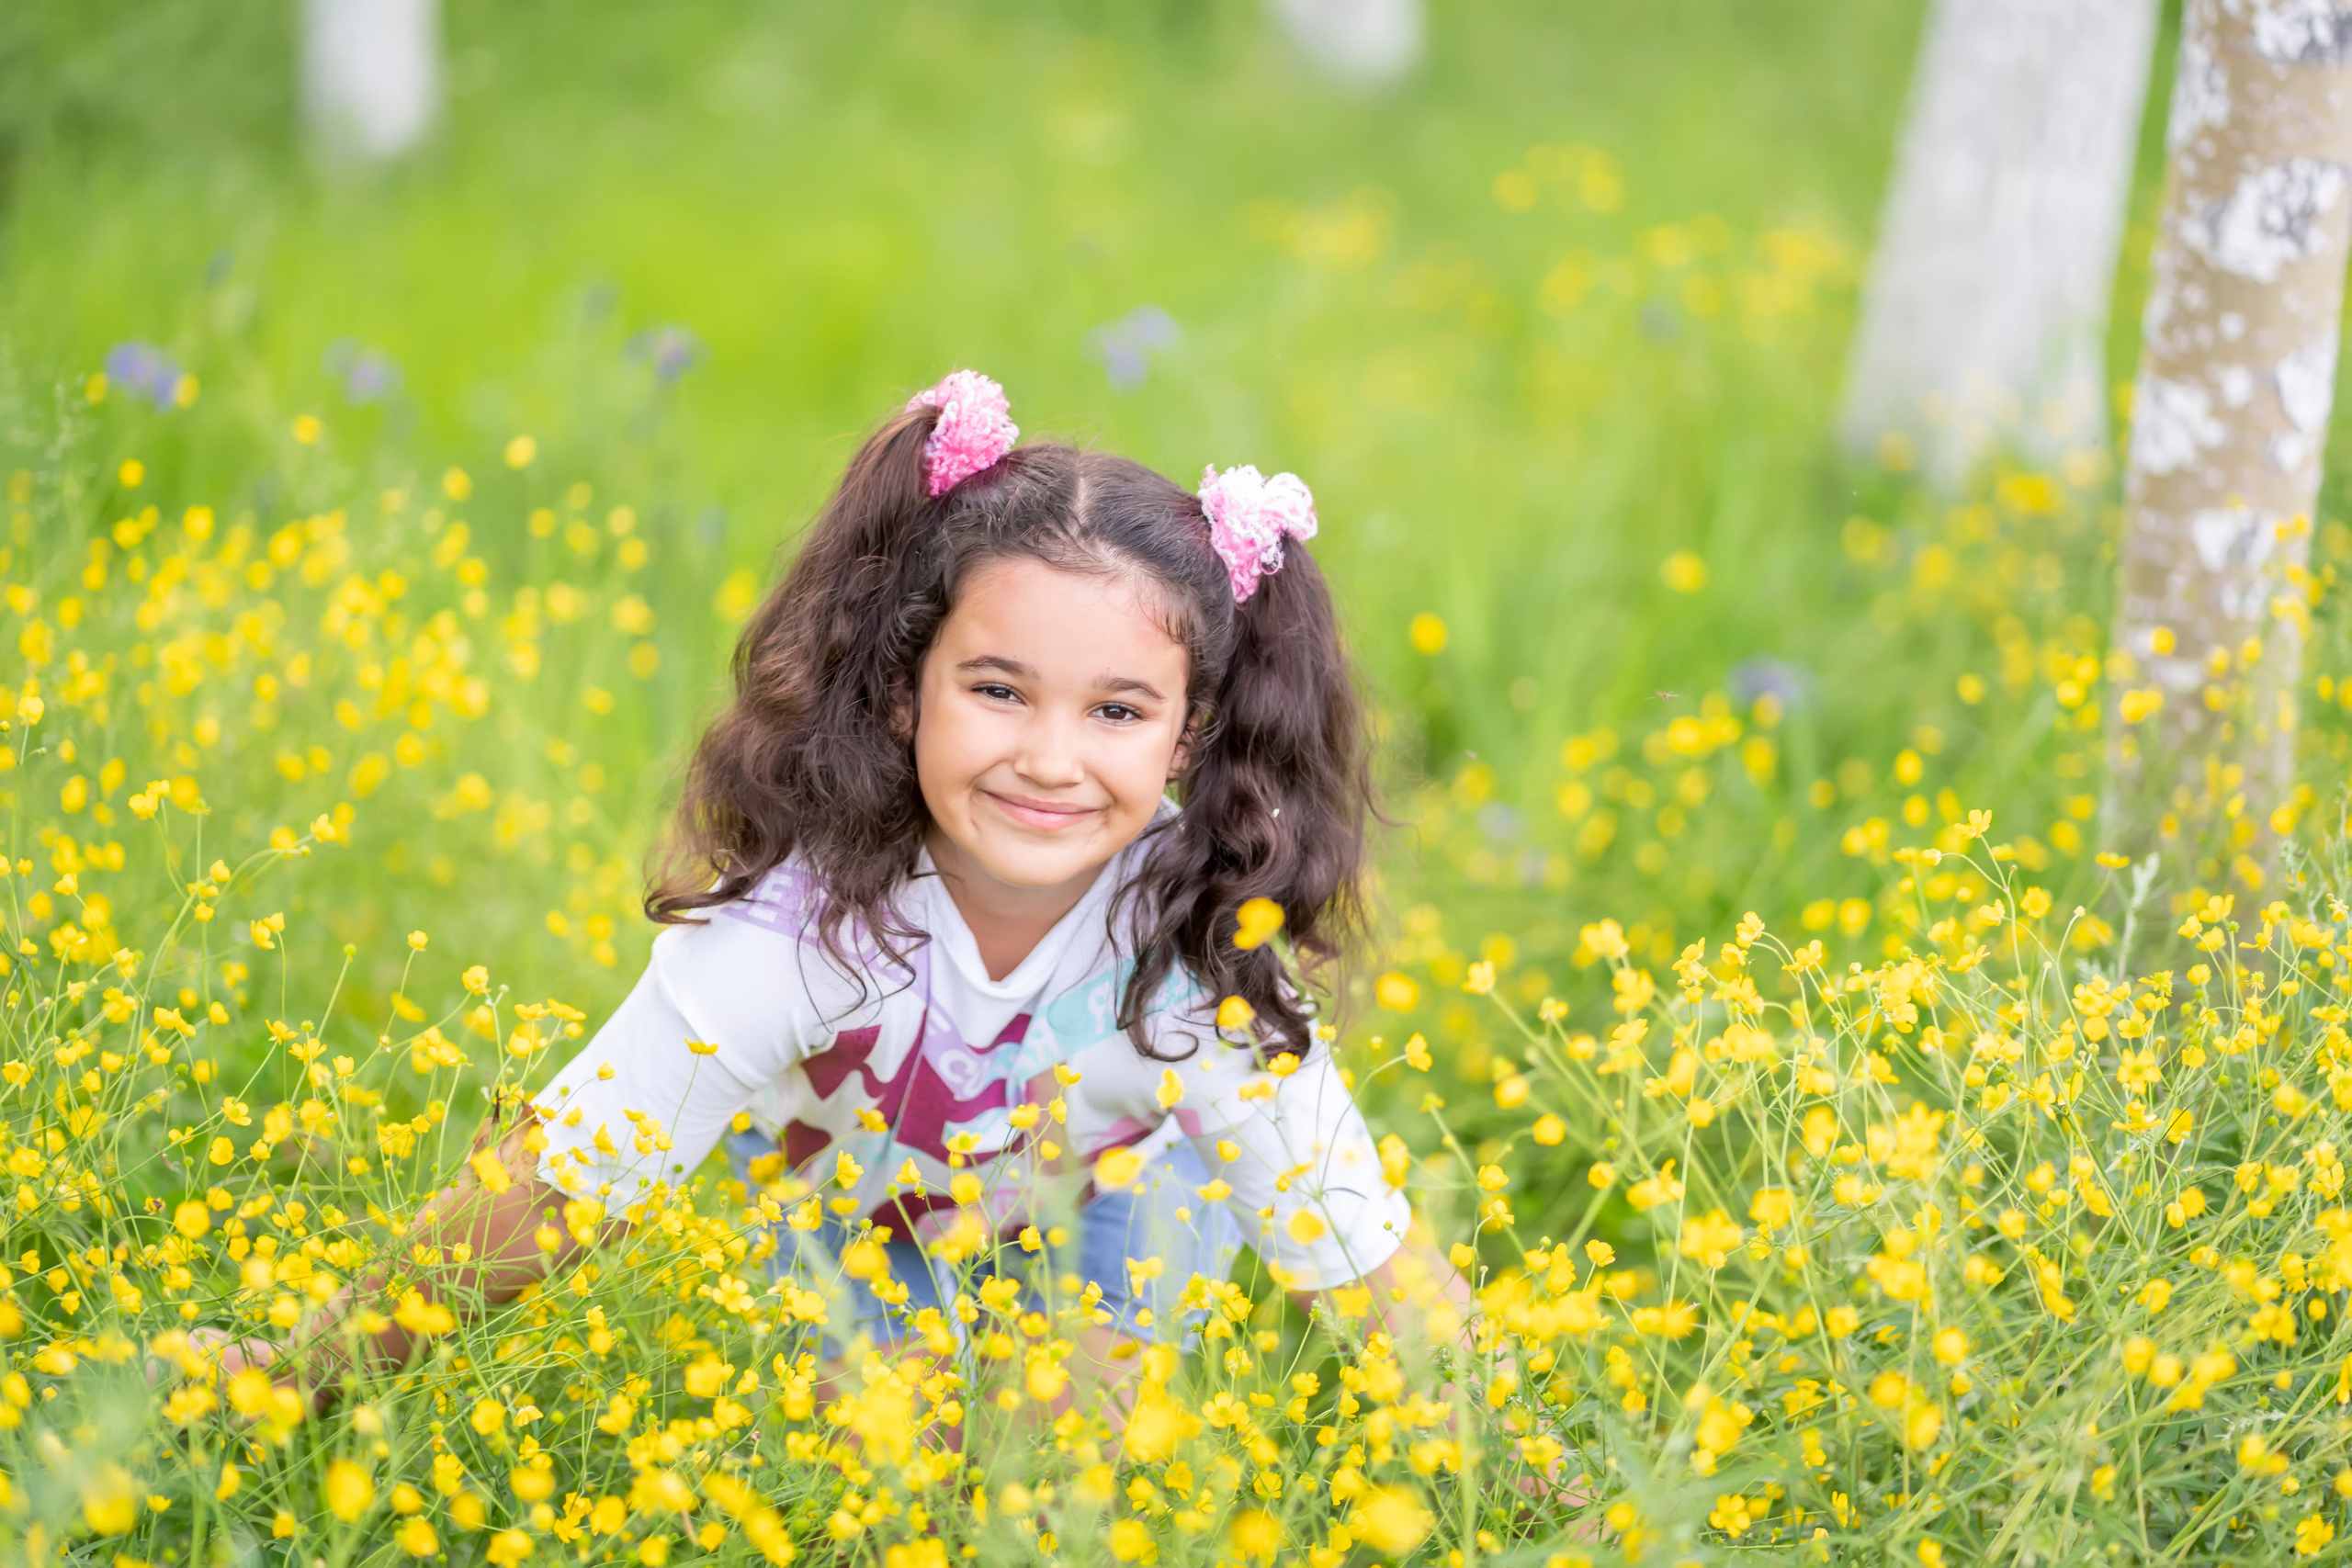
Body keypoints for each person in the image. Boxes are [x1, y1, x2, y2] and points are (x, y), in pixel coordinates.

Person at [212, 369, 1467, 1416]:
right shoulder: (806, 931)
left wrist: (1565, 1500)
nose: (1048, 758)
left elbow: (1369, 1265)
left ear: (1187, 741)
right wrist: (301, 1379)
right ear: (900, 687)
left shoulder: (1194, 960)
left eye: (1119, 711)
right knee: (881, 1466)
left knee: (1064, 1482)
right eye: (997, 690)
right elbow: (562, 1180)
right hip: (859, 1228)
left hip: (1111, 1213)